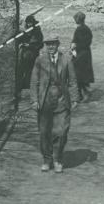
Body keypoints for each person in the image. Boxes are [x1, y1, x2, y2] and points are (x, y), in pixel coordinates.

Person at [30, 36, 79, 173]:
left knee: (61, 131)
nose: (50, 47)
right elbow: (34, 81)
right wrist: (34, 100)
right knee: (44, 132)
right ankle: (47, 159)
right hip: (44, 101)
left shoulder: (66, 60)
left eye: (53, 44)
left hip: (61, 101)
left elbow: (73, 81)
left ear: (58, 44)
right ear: (45, 46)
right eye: (48, 44)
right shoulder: (40, 60)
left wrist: (75, 98)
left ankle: (58, 159)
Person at [71, 11, 94, 102]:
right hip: (83, 53)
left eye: (76, 19)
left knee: (80, 74)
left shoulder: (81, 29)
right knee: (80, 74)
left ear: (78, 19)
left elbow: (82, 42)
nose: (75, 20)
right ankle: (80, 94)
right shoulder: (85, 28)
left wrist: (74, 45)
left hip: (82, 54)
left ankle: (86, 93)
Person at [18, 14, 43, 90]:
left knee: (30, 69)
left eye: (30, 23)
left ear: (33, 22)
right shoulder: (26, 30)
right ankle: (24, 83)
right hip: (25, 54)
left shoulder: (37, 31)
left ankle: (29, 84)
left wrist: (28, 45)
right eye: (28, 23)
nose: (29, 24)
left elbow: (38, 44)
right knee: (23, 68)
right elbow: (21, 38)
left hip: (32, 54)